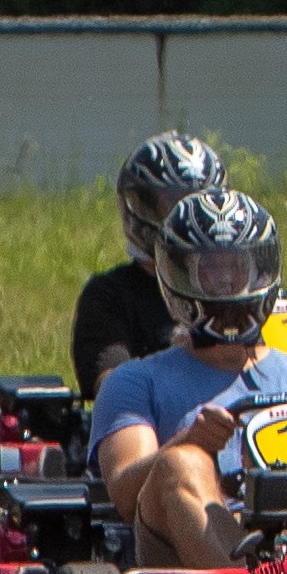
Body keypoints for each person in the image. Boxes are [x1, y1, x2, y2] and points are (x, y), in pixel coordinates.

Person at [85, 189, 287, 569]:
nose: (227, 282)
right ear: (180, 276)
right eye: (211, 270)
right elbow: (125, 493)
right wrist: (191, 441)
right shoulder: (136, 382)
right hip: (197, 543)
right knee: (179, 464)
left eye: (237, 267)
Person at [73, 133, 228, 386]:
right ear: (140, 208)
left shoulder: (233, 289)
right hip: (162, 422)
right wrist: (178, 357)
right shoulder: (110, 296)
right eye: (173, 205)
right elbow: (113, 389)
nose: (187, 220)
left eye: (199, 206)